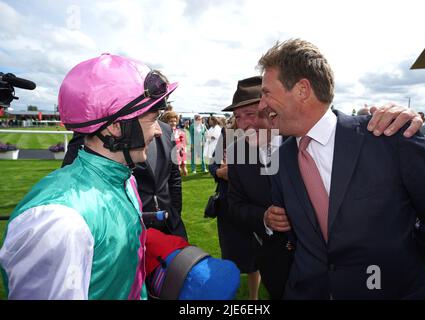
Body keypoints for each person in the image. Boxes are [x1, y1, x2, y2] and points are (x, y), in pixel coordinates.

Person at [257, 39, 425, 299]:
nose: (260, 106)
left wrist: (407, 253)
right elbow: (295, 237)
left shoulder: (389, 136)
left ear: (302, 89)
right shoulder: (283, 159)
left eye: (267, 93)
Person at [225, 76, 424, 300]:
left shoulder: (305, 136)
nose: (242, 126)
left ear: (269, 108)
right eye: (237, 117)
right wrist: (264, 218)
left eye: (250, 115)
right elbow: (234, 205)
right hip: (276, 263)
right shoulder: (237, 152)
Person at [0, 54, 177, 299]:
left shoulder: (127, 179)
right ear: (116, 126)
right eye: (153, 119)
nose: (158, 131)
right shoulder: (60, 222)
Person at [208, 115, 261, 300]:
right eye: (239, 115)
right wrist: (220, 172)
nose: (244, 120)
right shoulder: (226, 134)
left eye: (249, 113)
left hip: (250, 205)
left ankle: (253, 298)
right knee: (230, 255)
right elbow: (212, 165)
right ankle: (231, 293)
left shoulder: (262, 135)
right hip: (227, 207)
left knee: (254, 258)